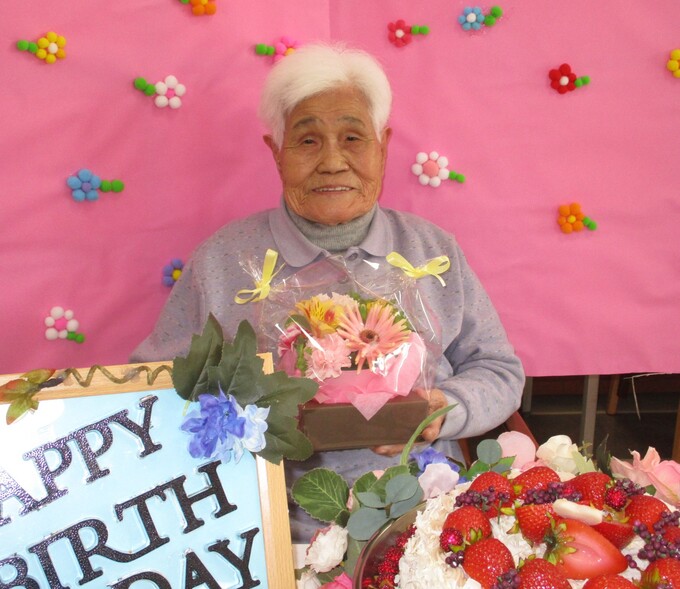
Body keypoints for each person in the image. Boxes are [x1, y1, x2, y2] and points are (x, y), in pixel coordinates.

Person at [131, 43, 525, 541]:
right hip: (269, 523)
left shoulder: (431, 250)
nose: (333, 161)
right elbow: (150, 388)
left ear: (383, 146)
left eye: (353, 137)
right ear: (276, 153)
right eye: (308, 140)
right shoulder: (223, 259)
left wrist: (443, 408)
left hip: (424, 515)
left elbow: (499, 370)